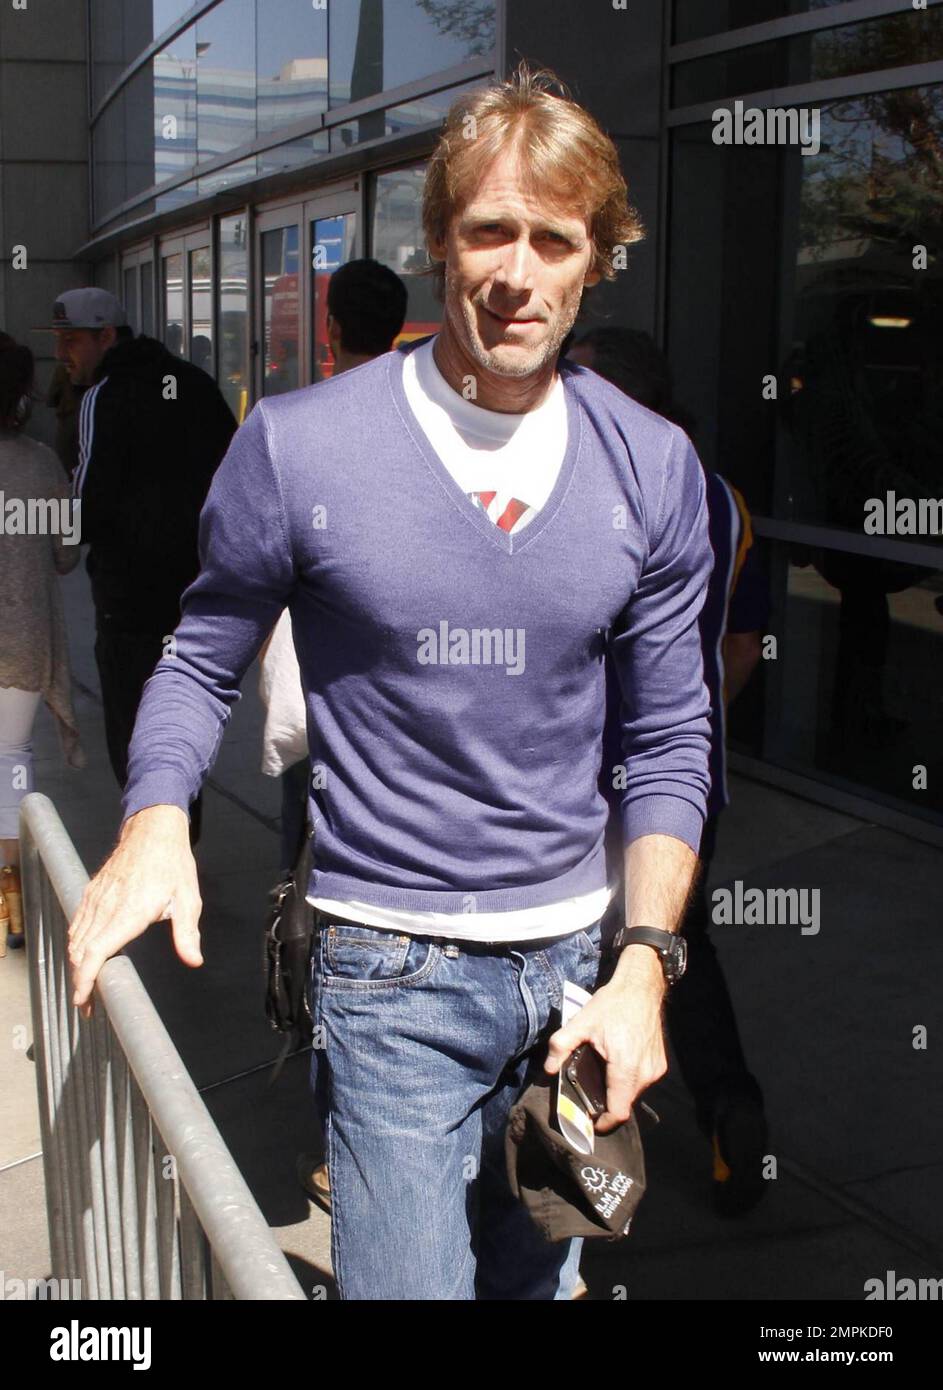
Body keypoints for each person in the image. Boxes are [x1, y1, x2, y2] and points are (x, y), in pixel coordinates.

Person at [69, 66, 714, 1301]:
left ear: (597, 259)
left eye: (554, 239)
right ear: (436, 243)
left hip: (574, 979)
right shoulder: (300, 445)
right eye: (489, 230)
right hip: (387, 976)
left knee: (535, 1289)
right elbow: (201, 651)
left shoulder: (652, 467)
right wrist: (155, 816)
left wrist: (644, 967)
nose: (516, 272)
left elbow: (671, 730)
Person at [571, 326, 770, 1215]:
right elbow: (739, 644)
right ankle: (731, 1112)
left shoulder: (585, 484)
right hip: (687, 784)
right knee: (673, 948)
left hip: (579, 776)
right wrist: (691, 727)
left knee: (579, 953)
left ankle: (572, 1155)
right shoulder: (727, 502)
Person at [256, 258, 408, 1214]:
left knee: (313, 922)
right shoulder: (426, 431)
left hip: (316, 731)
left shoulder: (301, 433)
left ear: (328, 325)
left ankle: (339, 1137)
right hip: (393, 734)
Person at [44, 288, 237, 845]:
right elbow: (234, 476)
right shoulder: (194, 385)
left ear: (108, 336)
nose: (62, 352)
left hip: (130, 607)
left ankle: (153, 845)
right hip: (198, 600)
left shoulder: (103, 397)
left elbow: (85, 508)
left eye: (72, 339)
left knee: (133, 734)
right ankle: (181, 837)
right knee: (184, 723)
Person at [0, 338, 85, 955]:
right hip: (21, 645)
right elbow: (67, 554)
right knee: (11, 761)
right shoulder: (43, 465)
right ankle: (12, 899)